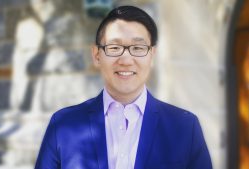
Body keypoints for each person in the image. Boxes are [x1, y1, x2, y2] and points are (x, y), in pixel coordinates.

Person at [35, 5, 212, 169]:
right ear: (97, 55)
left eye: (137, 47)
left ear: (152, 55)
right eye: (114, 47)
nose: (126, 60)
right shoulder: (63, 125)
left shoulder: (185, 127)